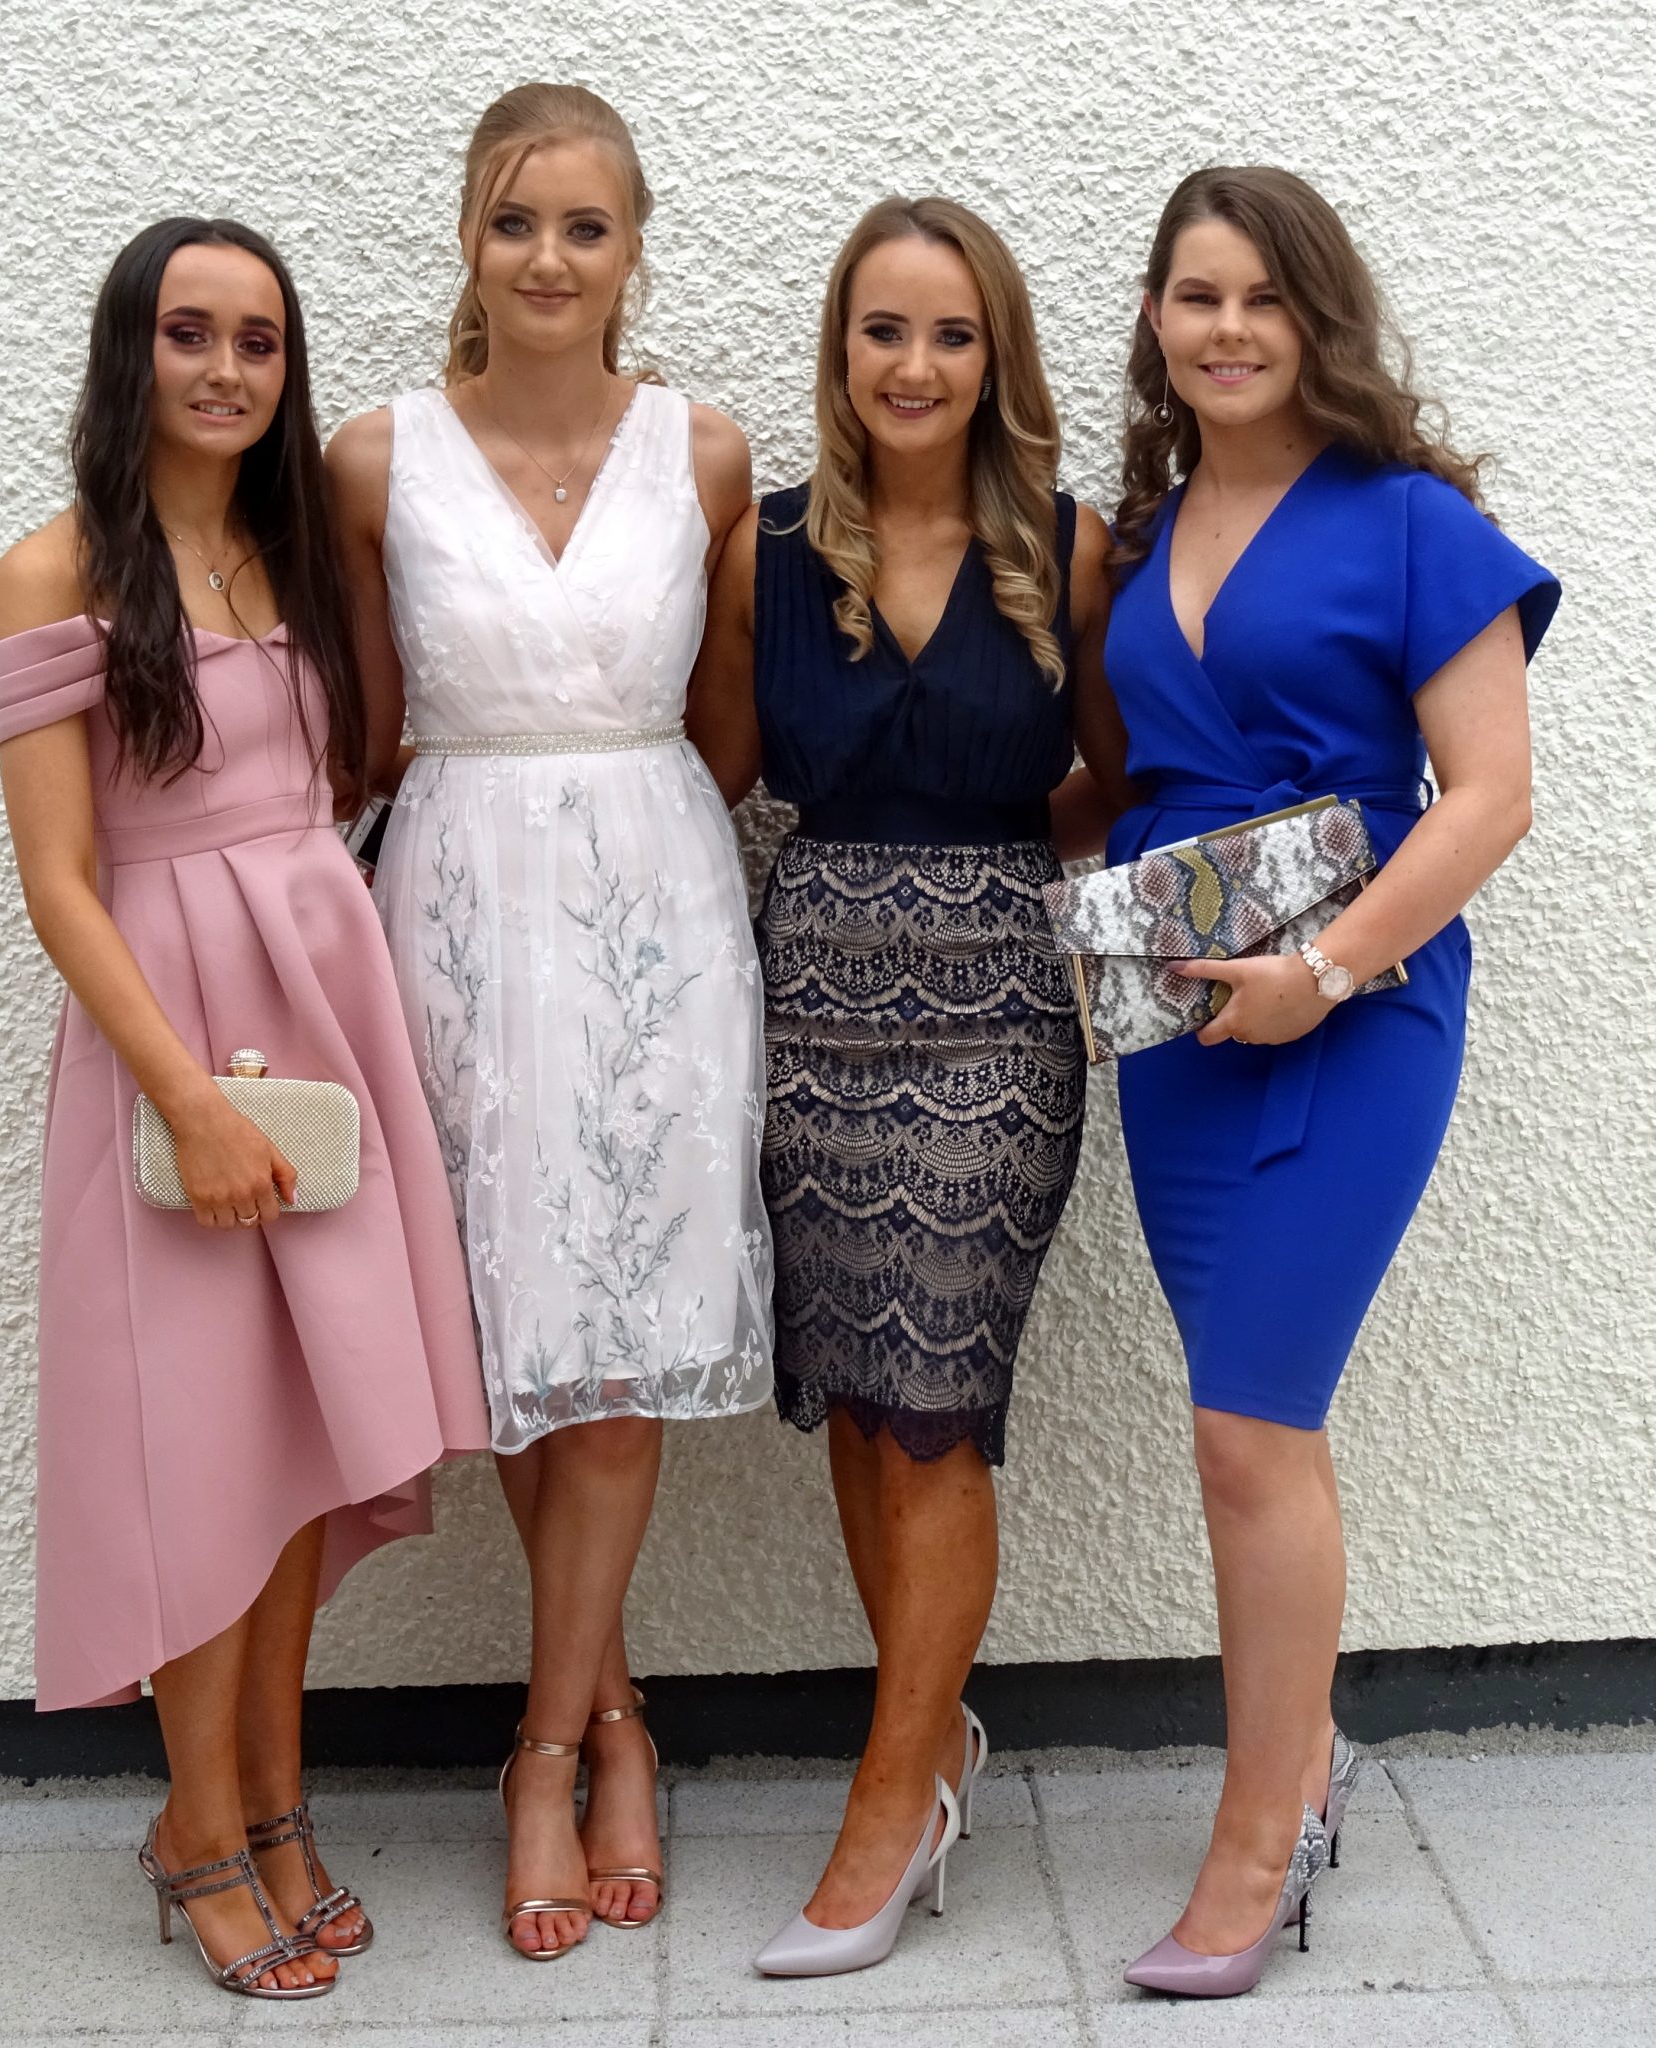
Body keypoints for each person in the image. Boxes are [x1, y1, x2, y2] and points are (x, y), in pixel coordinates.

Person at [0, 218, 488, 2000]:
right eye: (188, 333)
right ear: (130, 351)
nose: (223, 369)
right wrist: (185, 1101)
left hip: (322, 1030)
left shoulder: (292, 556)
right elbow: (60, 883)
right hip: (173, 1051)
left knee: (297, 1449)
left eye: (257, 341)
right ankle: (195, 1826)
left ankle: (272, 1803)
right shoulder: (55, 570)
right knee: (198, 1455)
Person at [327, 85, 775, 1962]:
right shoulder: (374, 458)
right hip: (453, 914)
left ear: (632, 247)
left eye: (585, 226)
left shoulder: (710, 453)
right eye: (514, 221)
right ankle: (614, 1719)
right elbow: (362, 735)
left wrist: (621, 843)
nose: (547, 259)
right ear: (466, 237)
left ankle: (545, 1753)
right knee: (520, 1327)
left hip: (654, 912)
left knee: (617, 1347)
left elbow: (730, 727)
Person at [1101, 166, 1559, 1998]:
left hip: (1354, 1010)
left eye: (1262, 298)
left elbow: (1491, 796)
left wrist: (1326, 972)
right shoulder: (1139, 534)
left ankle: (1257, 1835)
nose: (1226, 329)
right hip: (1182, 1029)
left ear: (1317, 319)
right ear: (1155, 318)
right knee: (1241, 1431)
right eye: (1195, 295)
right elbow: (1122, 779)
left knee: (1248, 1426)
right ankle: (1301, 1764)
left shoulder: (1411, 523)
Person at [686, 195, 1129, 1976]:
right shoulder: (768, 548)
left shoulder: (1070, 548)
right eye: (885, 328)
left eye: (952, 333)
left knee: (935, 1400)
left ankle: (887, 1810)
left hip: (995, 1016)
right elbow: (711, 772)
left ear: (994, 357)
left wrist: (991, 865)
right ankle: (930, 1739)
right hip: (810, 1005)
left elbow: (1116, 778)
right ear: (841, 347)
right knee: (865, 1406)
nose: (916, 364)